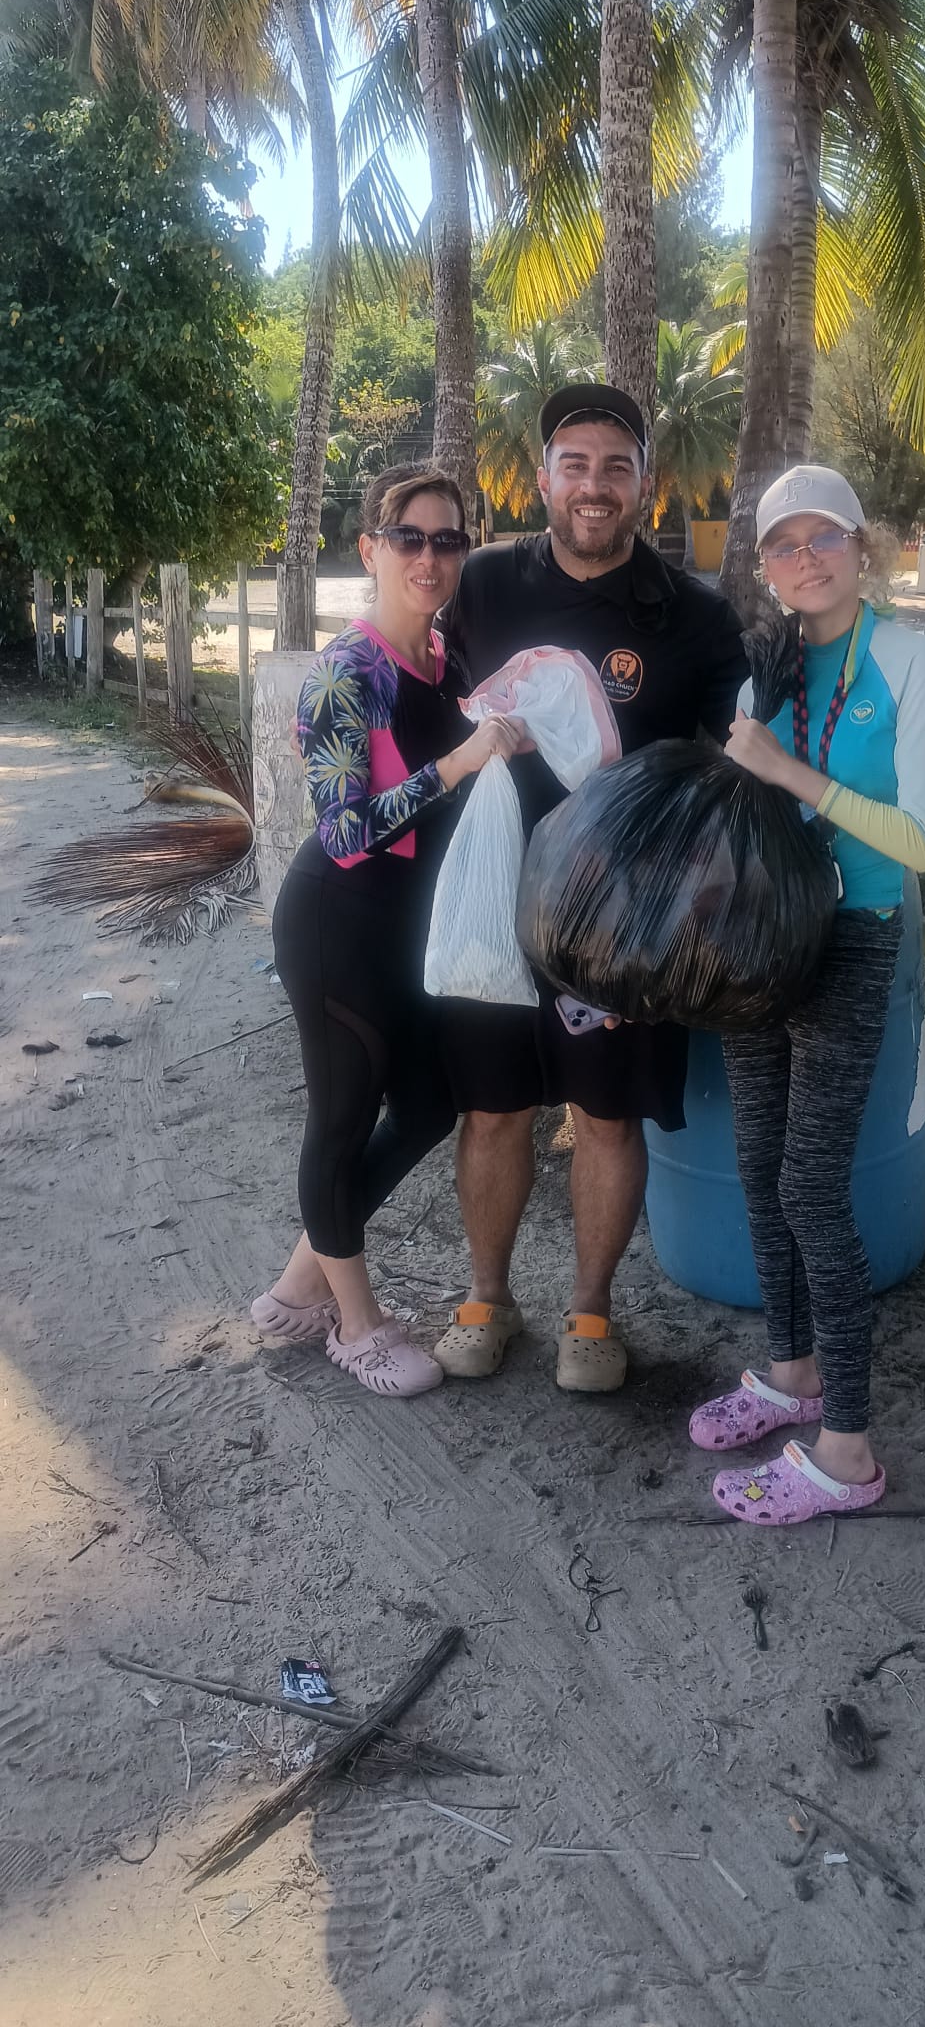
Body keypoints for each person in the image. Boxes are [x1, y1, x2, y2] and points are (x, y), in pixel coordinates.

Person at [433, 384, 749, 1394]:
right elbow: (420, 696)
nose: (594, 485)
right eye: (574, 464)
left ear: (645, 486)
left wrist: (686, 912)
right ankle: (486, 1299)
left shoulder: (692, 616)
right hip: (491, 902)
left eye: (616, 466)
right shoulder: (483, 586)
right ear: (542, 480)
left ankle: (590, 1316)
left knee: (606, 1118)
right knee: (490, 1109)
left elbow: (739, 763)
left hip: (624, 923)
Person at [688, 465, 925, 1521]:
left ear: (861, 545)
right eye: (783, 545)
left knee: (809, 1186)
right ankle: (791, 1370)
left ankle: (845, 1450)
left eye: (824, 537)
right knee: (758, 1166)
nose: (806, 559)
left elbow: (920, 842)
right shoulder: (766, 673)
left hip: (852, 937)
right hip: (765, 942)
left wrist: (787, 773)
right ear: (764, 567)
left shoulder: (909, 660)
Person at [250, 466, 529, 1397]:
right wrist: (459, 763)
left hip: (409, 931)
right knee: (340, 1119)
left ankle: (299, 1288)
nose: (429, 557)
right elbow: (344, 831)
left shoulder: (445, 660)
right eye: (410, 537)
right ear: (370, 548)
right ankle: (354, 1324)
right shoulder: (347, 671)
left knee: (426, 1107)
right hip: (337, 925)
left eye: (449, 540)